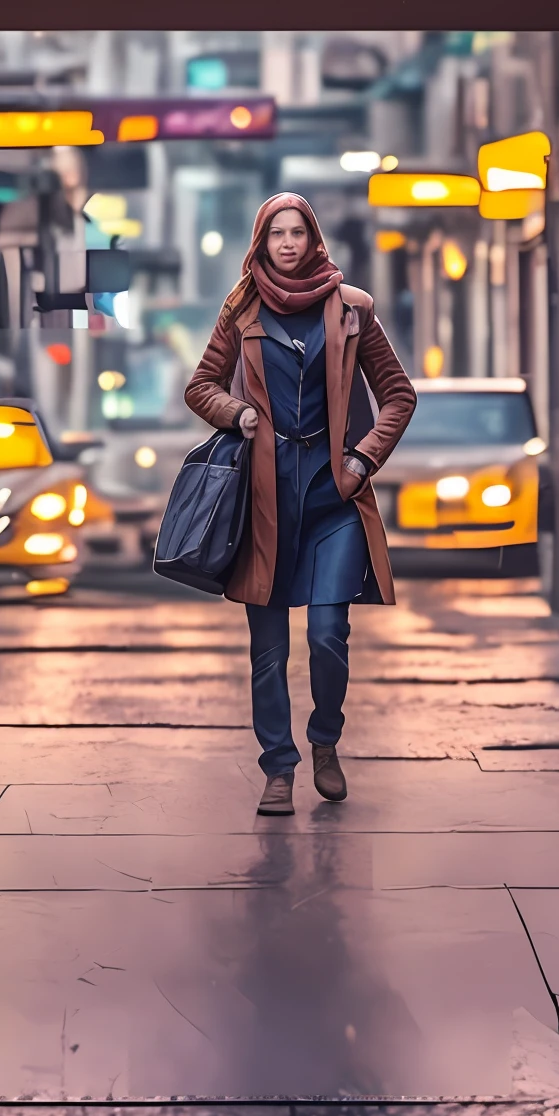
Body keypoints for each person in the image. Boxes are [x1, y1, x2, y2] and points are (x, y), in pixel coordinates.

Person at [185, 193, 416, 816]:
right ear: (260, 245)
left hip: (332, 495)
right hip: (262, 502)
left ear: (314, 239)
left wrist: (363, 459)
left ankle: (325, 741)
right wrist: (237, 413)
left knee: (327, 634)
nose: (287, 243)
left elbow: (398, 394)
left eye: (298, 232)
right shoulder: (241, 308)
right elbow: (200, 386)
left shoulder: (353, 310)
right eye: (275, 235)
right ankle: (278, 769)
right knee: (268, 649)